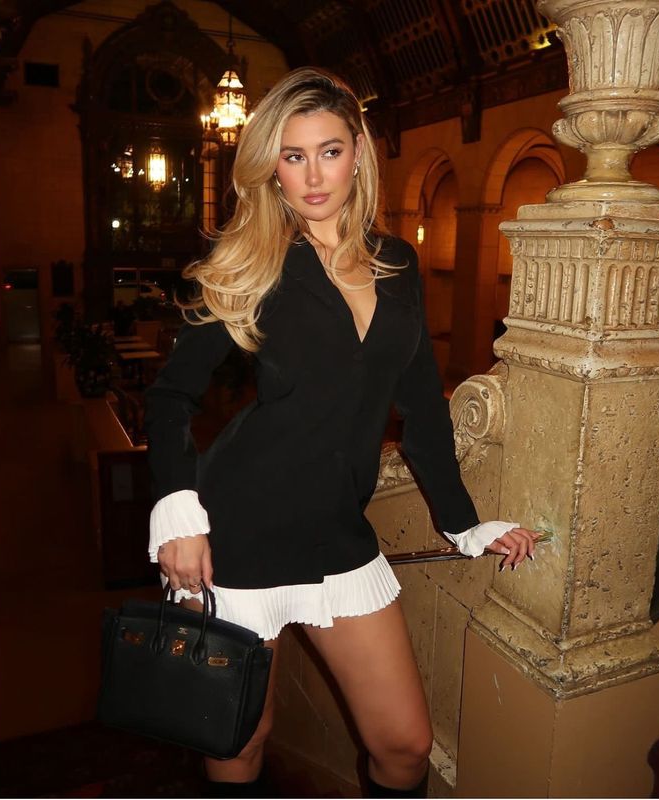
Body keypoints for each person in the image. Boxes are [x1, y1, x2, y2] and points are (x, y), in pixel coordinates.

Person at [144, 67, 539, 799]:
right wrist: (178, 513)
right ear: (272, 168)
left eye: (329, 151)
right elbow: (170, 397)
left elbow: (422, 407)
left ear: (357, 152)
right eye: (292, 156)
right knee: (240, 737)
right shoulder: (252, 265)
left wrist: (464, 523)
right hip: (237, 533)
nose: (313, 175)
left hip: (339, 534)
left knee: (404, 745)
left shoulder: (398, 263)